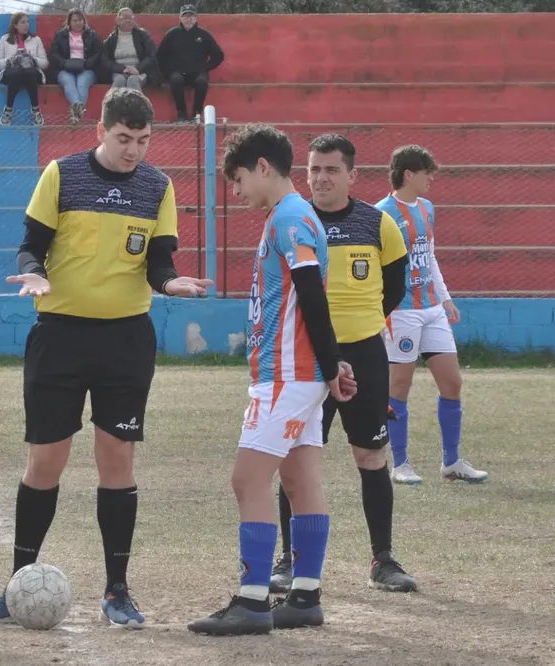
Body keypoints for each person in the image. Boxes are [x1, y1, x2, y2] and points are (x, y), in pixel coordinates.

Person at [0, 87, 213, 629]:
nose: (134, 150)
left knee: (118, 462)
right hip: (59, 337)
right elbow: (30, 245)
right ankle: (17, 586)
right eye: (124, 138)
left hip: (125, 342)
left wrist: (170, 282)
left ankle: (117, 591)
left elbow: (158, 263)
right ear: (101, 132)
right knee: (45, 463)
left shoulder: (158, 186)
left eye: (143, 140)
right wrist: (34, 272)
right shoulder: (61, 174)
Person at [187, 124, 356, 637]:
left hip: (286, 375)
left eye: (238, 180)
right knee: (300, 480)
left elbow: (310, 291)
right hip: (299, 374)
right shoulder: (292, 216)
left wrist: (330, 366)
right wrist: (329, 369)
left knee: (248, 481)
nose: (235, 193)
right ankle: (304, 596)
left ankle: (253, 600)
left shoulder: (289, 217)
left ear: (263, 167)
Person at [269, 134, 418, 597]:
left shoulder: (378, 225)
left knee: (371, 456)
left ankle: (383, 559)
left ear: (352, 176)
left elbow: (393, 287)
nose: (320, 178)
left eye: (331, 169)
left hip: (364, 354)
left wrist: (359, 324)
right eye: (314, 169)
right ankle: (289, 560)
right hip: (306, 358)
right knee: (294, 460)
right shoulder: (294, 220)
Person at [376, 145, 487, 485]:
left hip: (431, 309)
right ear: (408, 174)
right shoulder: (381, 214)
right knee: (399, 385)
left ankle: (451, 462)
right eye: (427, 172)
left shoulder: (426, 208)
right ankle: (400, 463)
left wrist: (446, 299)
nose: (431, 178)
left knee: (452, 382)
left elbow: (430, 256)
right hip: (402, 311)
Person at [156, 5, 223, 123]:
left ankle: (196, 114)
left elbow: (218, 55)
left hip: (198, 72)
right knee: (176, 80)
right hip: (177, 72)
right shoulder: (172, 34)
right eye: (185, 16)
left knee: (202, 82)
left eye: (191, 16)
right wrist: (167, 72)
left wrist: (205, 68)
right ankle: (181, 114)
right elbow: (160, 55)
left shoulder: (204, 34)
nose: (188, 19)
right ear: (180, 18)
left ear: (196, 18)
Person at [0, 12, 48, 126]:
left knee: (30, 71)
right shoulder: (5, 39)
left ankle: (35, 109)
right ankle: (8, 109)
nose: (26, 25)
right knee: (16, 72)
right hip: (11, 73)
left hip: (31, 73)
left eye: (27, 22)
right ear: (15, 25)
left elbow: (45, 63)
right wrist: (9, 60)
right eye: (22, 22)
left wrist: (33, 60)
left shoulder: (36, 39)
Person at [48, 8, 102, 125]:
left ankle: (75, 114)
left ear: (84, 21)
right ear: (69, 22)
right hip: (65, 68)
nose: (78, 23)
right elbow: (54, 53)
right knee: (68, 81)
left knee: (82, 82)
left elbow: (98, 53)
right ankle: (78, 110)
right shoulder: (61, 35)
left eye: (80, 20)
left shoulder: (92, 35)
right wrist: (64, 63)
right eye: (74, 20)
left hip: (87, 68)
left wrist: (87, 64)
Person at [101, 8, 158, 92]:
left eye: (131, 18)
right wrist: (121, 69)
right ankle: (114, 104)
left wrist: (138, 68)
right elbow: (104, 59)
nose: (128, 20)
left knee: (133, 81)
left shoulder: (142, 35)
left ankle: (136, 104)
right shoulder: (111, 39)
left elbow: (152, 55)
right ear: (117, 21)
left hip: (140, 72)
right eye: (125, 18)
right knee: (119, 81)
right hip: (119, 72)